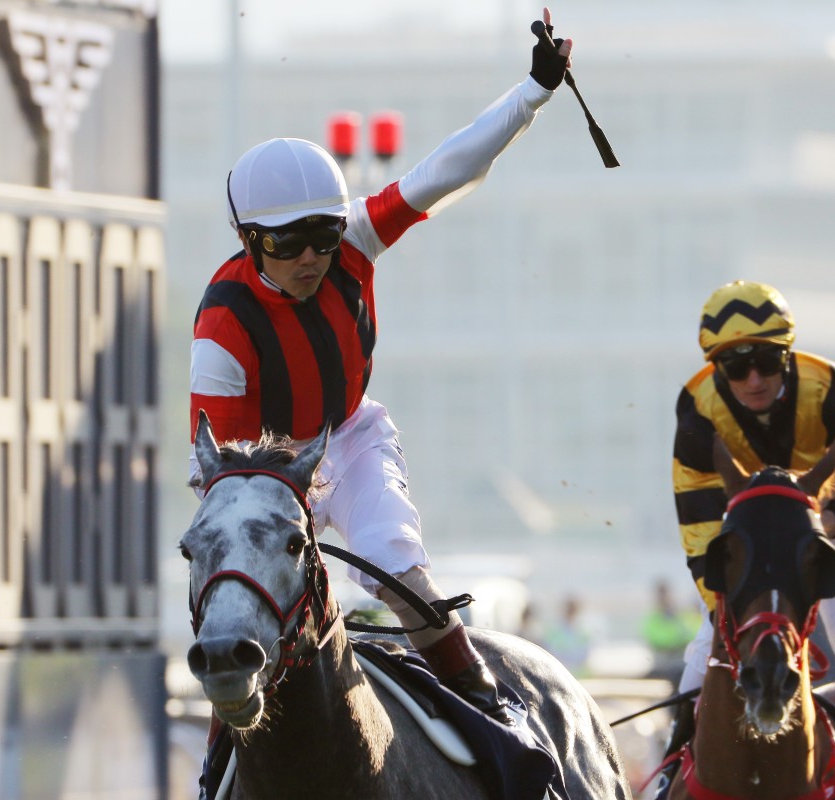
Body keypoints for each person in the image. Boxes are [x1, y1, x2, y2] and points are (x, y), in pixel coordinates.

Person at [187, 8, 574, 727]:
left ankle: (489, 709)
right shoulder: (222, 330)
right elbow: (221, 473)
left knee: (396, 565)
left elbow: (447, 170)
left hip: (348, 435)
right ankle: (221, 760)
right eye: (287, 242)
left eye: (324, 235)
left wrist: (532, 92)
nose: (310, 257)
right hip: (258, 475)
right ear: (247, 239)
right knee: (238, 604)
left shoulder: (357, 241)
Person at [655, 280, 835, 799]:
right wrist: (723, 608)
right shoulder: (697, 409)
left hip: (826, 517)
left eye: (765, 360)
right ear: (718, 369)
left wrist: (822, 526)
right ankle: (671, 770)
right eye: (736, 367)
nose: (754, 378)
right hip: (748, 527)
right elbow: (698, 529)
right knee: (705, 648)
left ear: (786, 353)